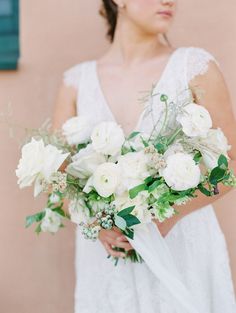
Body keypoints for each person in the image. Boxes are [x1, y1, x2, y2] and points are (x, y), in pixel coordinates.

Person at [52, 0, 236, 312]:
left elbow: (231, 164)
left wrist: (170, 215)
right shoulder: (75, 82)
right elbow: (56, 182)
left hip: (181, 247)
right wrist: (96, 225)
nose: (170, 1)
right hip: (109, 260)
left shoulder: (195, 67)